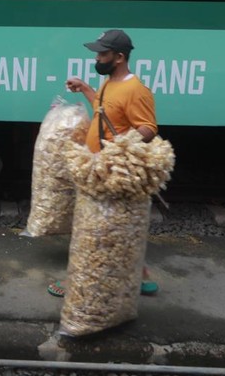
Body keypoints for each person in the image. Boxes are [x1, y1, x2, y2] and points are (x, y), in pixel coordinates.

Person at [48, 29, 159, 297]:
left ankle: (77, 281)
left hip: (111, 171)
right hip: (98, 168)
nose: (97, 58)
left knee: (91, 229)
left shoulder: (136, 90)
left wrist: (118, 151)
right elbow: (102, 109)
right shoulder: (111, 82)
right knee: (116, 228)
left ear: (119, 57)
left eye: (103, 53)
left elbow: (148, 128)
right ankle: (141, 275)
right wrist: (86, 88)